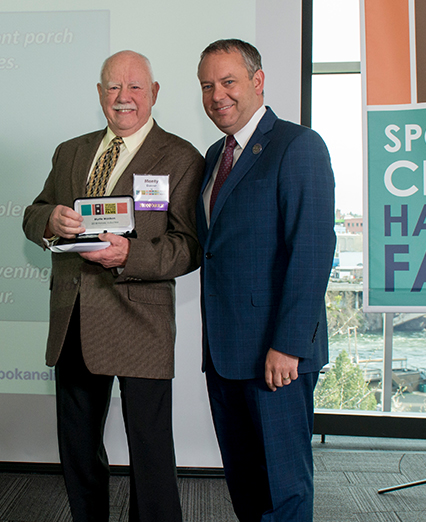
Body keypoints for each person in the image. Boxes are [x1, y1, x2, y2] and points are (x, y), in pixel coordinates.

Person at [23, 50, 204, 522]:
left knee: (150, 451)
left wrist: (131, 255)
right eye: (113, 88)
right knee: (78, 449)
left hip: (139, 320)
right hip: (74, 321)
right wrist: (51, 220)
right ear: (100, 94)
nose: (123, 98)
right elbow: (33, 213)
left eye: (135, 87)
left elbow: (189, 246)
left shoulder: (180, 157)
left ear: (155, 93)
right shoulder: (71, 151)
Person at [196, 39, 336, 521]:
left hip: (277, 356)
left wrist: (290, 344)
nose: (218, 96)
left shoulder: (297, 146)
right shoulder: (216, 155)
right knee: (246, 483)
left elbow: (313, 252)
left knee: (284, 488)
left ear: (257, 81)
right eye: (207, 86)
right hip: (225, 354)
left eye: (228, 82)